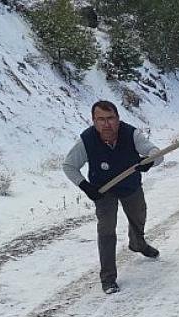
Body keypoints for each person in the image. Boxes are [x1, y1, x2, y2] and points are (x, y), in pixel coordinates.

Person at [63, 100, 163, 294]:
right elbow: (69, 166)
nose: (106, 124)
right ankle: (108, 278)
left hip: (130, 186)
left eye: (110, 118)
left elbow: (157, 154)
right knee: (106, 231)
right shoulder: (87, 140)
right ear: (93, 121)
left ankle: (138, 244)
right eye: (100, 119)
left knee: (138, 219)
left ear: (118, 119)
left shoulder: (132, 134)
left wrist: (148, 161)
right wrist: (85, 186)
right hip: (103, 191)